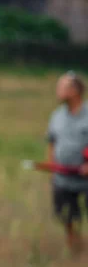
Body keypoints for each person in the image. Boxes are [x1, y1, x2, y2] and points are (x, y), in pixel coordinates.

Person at [46, 71, 88, 253]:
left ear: (75, 90)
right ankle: (76, 251)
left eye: (61, 87)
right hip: (63, 178)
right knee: (68, 218)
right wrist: (51, 168)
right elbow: (52, 141)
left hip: (86, 179)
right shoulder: (57, 116)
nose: (57, 91)